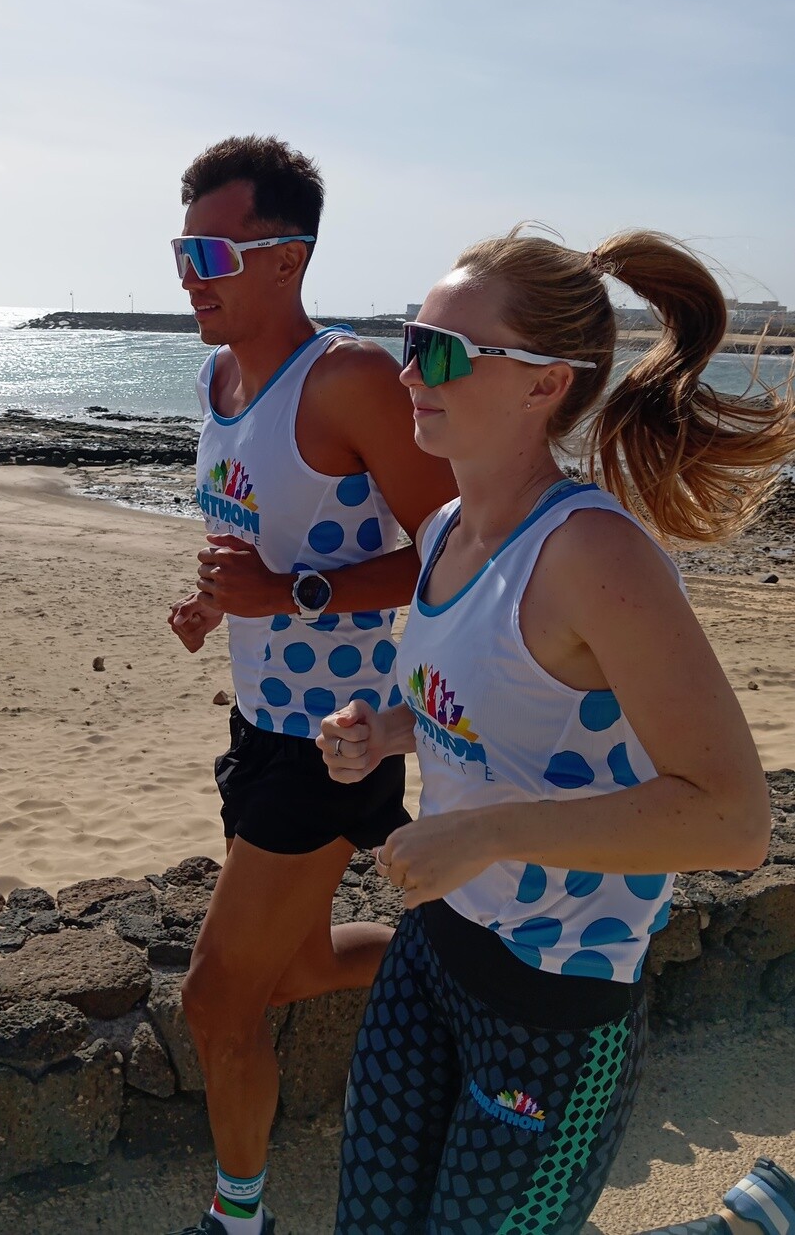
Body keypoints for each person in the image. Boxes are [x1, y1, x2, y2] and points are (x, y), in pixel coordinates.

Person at [316, 225, 794, 1235]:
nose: (408, 373)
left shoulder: (593, 558)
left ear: (543, 385)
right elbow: (490, 713)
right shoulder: (445, 530)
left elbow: (730, 821)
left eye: (441, 352)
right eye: (410, 338)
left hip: (555, 997)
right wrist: (389, 731)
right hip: (434, 947)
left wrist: (489, 834)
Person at [165, 135, 456, 1235]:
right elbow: (247, 530)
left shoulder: (345, 380)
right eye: (181, 247)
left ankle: (238, 1219)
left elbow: (452, 546)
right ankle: (466, 973)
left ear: (286, 257)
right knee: (289, 971)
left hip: (340, 739)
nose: (189, 273)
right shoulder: (218, 375)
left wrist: (293, 595)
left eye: (210, 250)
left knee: (214, 1000)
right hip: (257, 726)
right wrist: (217, 597)